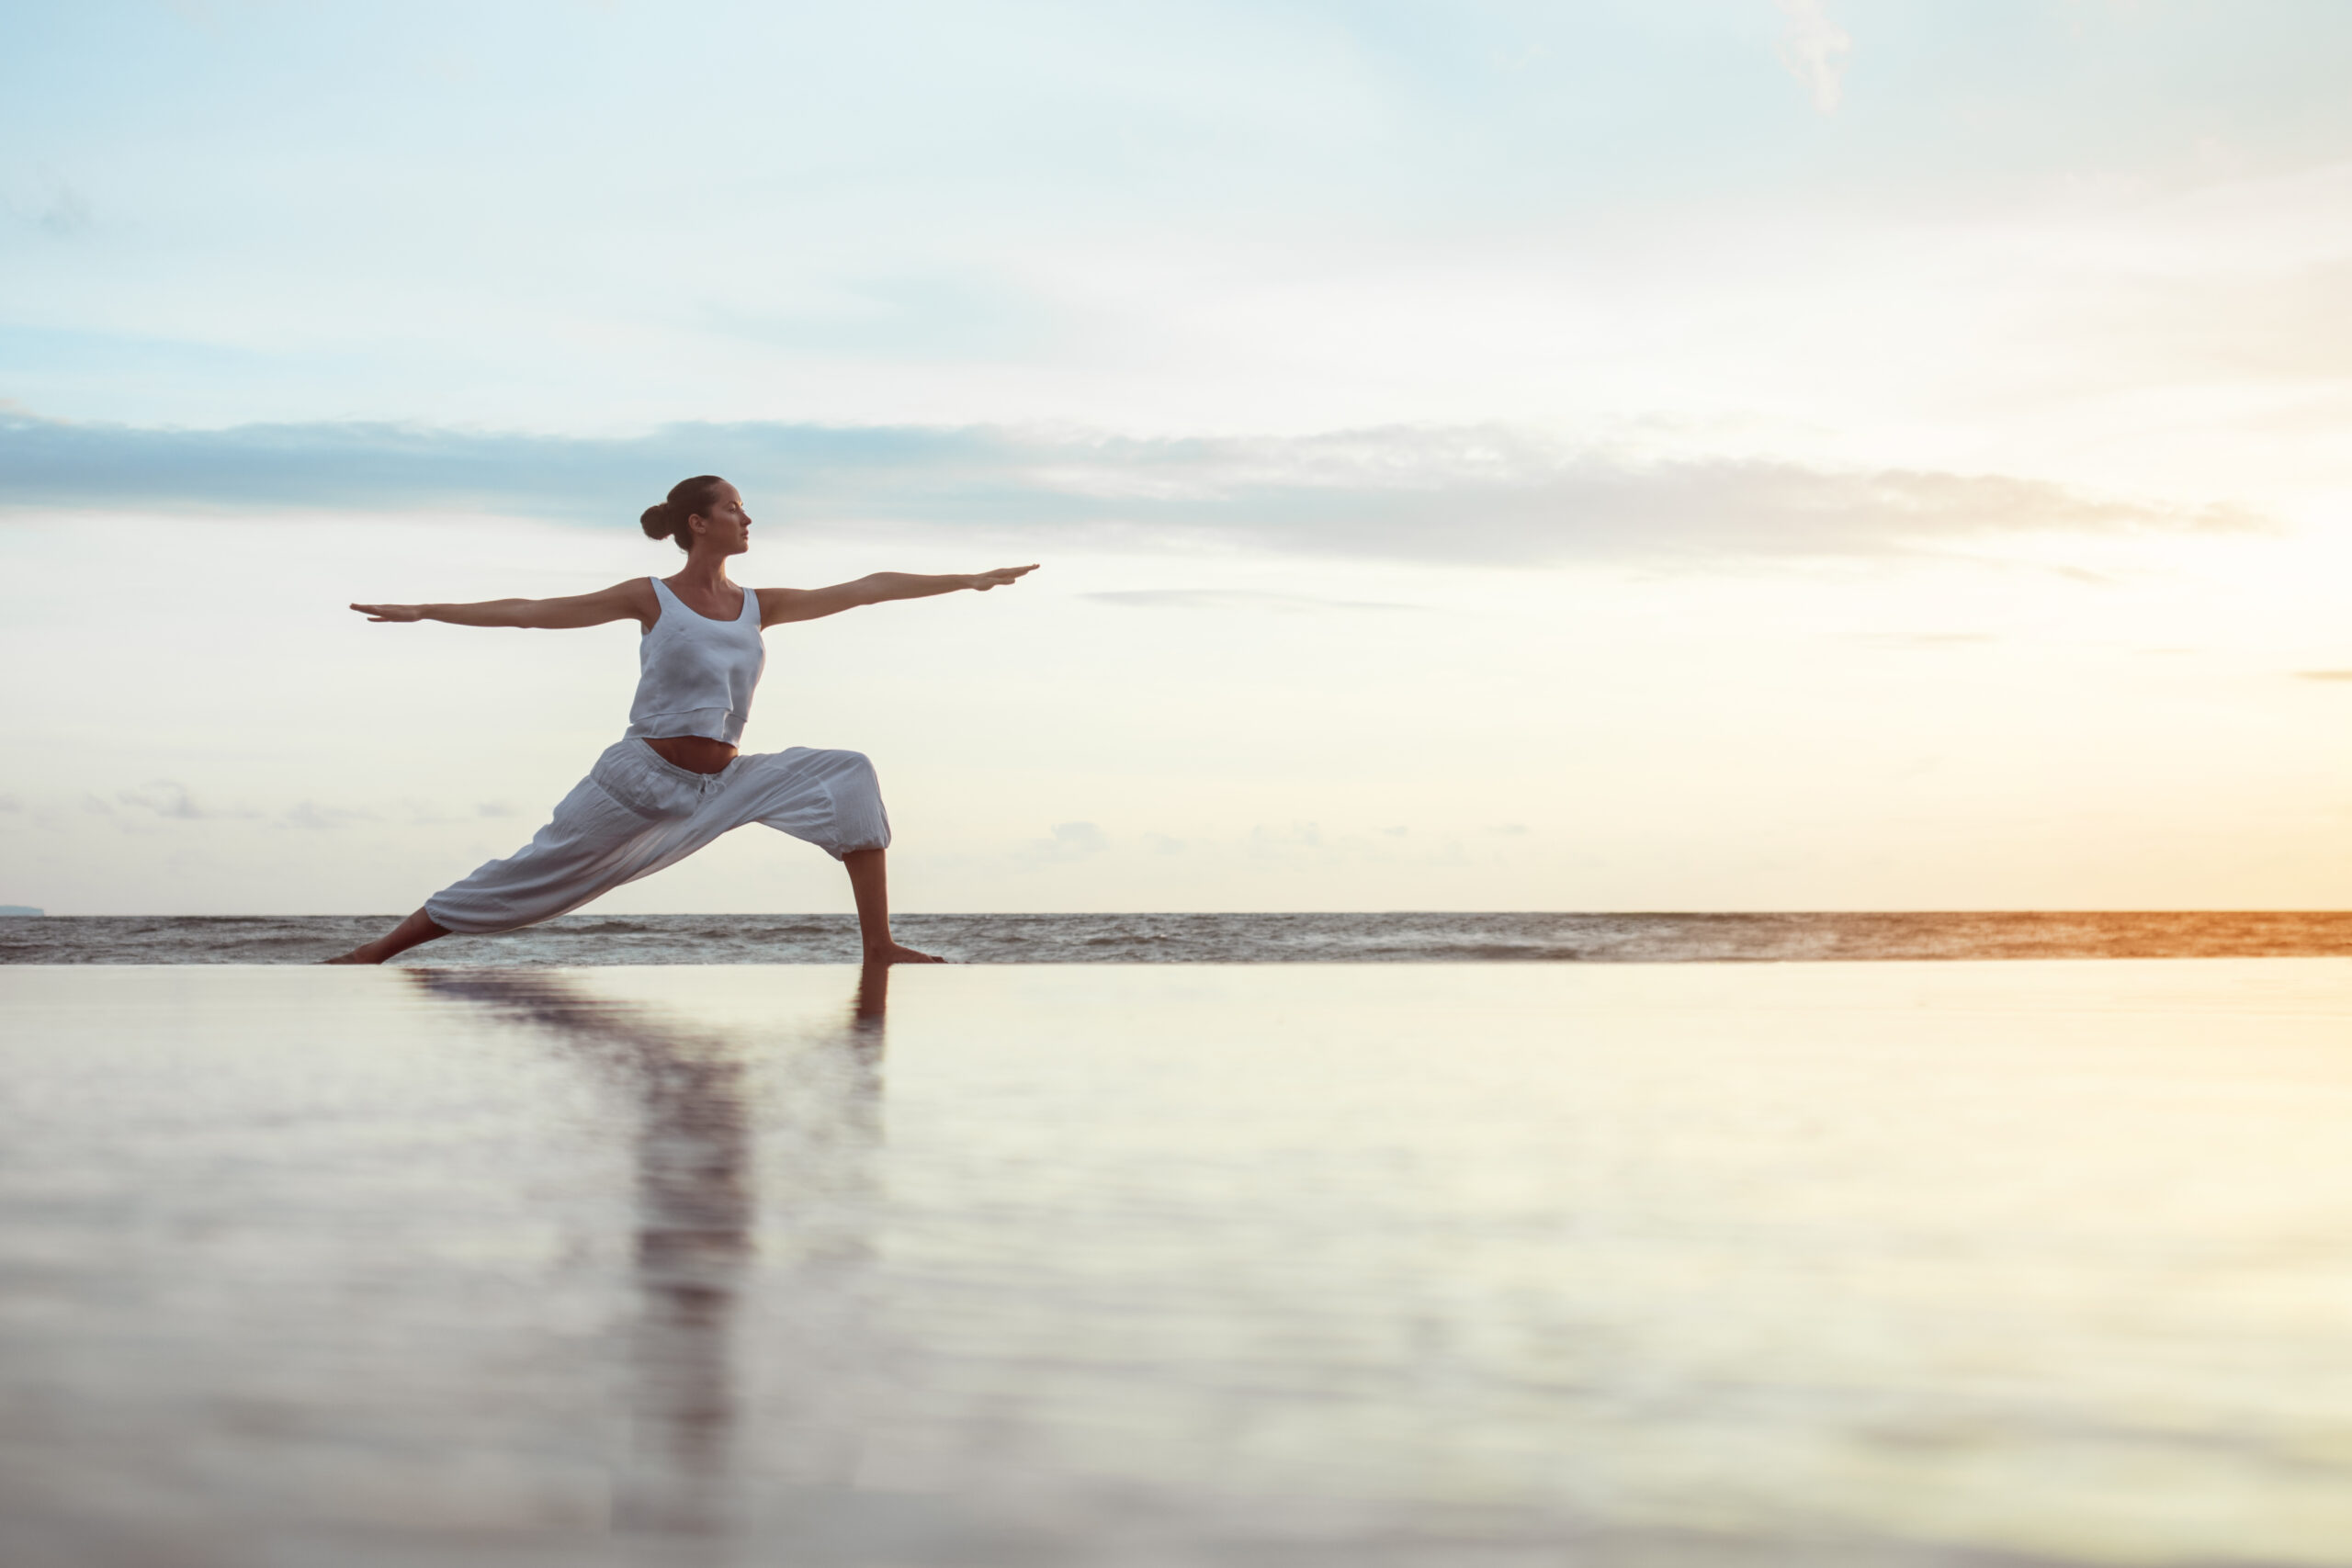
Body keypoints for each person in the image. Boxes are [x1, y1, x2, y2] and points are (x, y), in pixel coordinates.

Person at [325, 475, 1035, 964]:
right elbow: (532, 613)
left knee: (848, 773)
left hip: (721, 782)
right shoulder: (652, 597)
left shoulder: (760, 604)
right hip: (639, 780)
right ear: (699, 523)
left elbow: (866, 590)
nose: (747, 518)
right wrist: (425, 609)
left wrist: (967, 579)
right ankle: (377, 950)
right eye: (735, 508)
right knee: (529, 876)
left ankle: (878, 944)